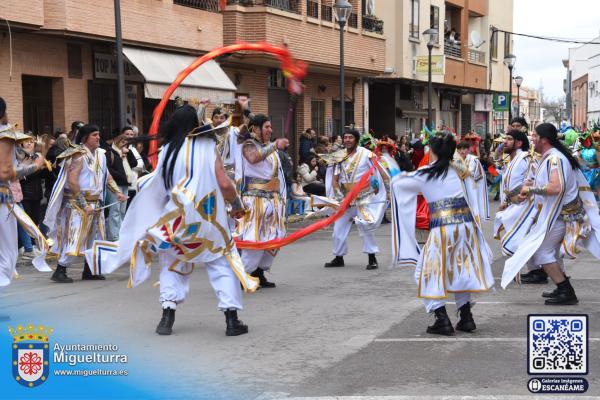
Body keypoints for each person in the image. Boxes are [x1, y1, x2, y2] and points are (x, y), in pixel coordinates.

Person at [86, 105, 258, 336]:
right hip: (209, 221)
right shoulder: (208, 146)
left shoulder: (168, 149)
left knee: (171, 264)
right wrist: (237, 206)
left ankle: (167, 317)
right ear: (195, 124)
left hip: (176, 221)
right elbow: (225, 183)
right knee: (221, 264)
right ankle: (231, 320)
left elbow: (159, 186)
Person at [390, 132, 494, 335]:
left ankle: (441, 318)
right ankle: (466, 317)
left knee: (425, 273)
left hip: (443, 229)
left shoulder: (426, 173)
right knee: (461, 269)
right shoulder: (460, 170)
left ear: (433, 151)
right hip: (466, 227)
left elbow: (398, 184)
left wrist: (390, 170)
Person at [502, 123, 600, 304]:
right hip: (557, 215)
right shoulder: (550, 157)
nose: (531, 139)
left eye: (534, 136)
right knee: (551, 253)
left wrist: (531, 191)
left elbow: (556, 187)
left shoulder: (555, 159)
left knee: (541, 253)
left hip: (560, 217)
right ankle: (562, 288)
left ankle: (566, 291)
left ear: (544, 139)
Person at [44, 124, 128, 283]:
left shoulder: (101, 154)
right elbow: (72, 181)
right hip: (77, 204)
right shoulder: (77, 155)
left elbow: (106, 176)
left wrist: (117, 192)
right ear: (84, 138)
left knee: (95, 238)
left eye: (98, 134)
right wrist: (84, 205)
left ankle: (90, 270)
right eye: (94, 135)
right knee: (75, 237)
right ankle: (60, 270)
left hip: (96, 203)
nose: (98, 137)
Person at [0, 98, 50, 286]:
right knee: (7, 256)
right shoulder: (4, 135)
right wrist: (35, 166)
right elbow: (4, 172)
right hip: (2, 199)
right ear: (2, 113)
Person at [323, 128, 386, 270]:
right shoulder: (338, 156)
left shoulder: (366, 154)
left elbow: (377, 171)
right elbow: (335, 178)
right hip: (345, 199)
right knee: (338, 229)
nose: (347, 140)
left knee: (365, 225)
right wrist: (339, 196)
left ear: (356, 139)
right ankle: (338, 258)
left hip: (363, 198)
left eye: (350, 137)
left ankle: (372, 258)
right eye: (345, 137)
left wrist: (380, 186)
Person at [237, 114, 288, 288]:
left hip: (273, 200)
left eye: (270, 127)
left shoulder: (268, 147)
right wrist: (275, 145)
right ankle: (243, 276)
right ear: (255, 129)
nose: (270, 130)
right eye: (266, 127)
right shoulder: (248, 145)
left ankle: (259, 272)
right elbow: (253, 158)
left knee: (273, 238)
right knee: (255, 239)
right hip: (256, 200)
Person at [493, 130, 543, 283]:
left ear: (519, 143)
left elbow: (532, 180)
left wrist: (514, 197)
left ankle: (538, 271)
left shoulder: (526, 158)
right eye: (505, 139)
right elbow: (499, 168)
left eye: (509, 139)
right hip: (513, 205)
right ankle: (535, 270)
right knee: (521, 238)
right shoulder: (513, 159)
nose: (505, 142)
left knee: (521, 238)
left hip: (524, 205)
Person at [105, 132, 135, 241]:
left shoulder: (124, 153)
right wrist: (119, 176)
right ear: (117, 141)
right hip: (115, 184)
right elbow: (108, 169)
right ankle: (114, 235)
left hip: (125, 183)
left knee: (122, 210)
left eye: (126, 143)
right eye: (122, 141)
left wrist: (128, 153)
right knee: (115, 210)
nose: (124, 144)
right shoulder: (110, 153)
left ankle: (121, 232)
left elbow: (134, 163)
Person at [456, 141, 489, 222]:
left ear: (468, 150)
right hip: (462, 187)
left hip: (473, 187)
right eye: (459, 149)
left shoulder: (473, 160)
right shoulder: (456, 160)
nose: (461, 151)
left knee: (473, 207)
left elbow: (470, 173)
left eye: (464, 149)